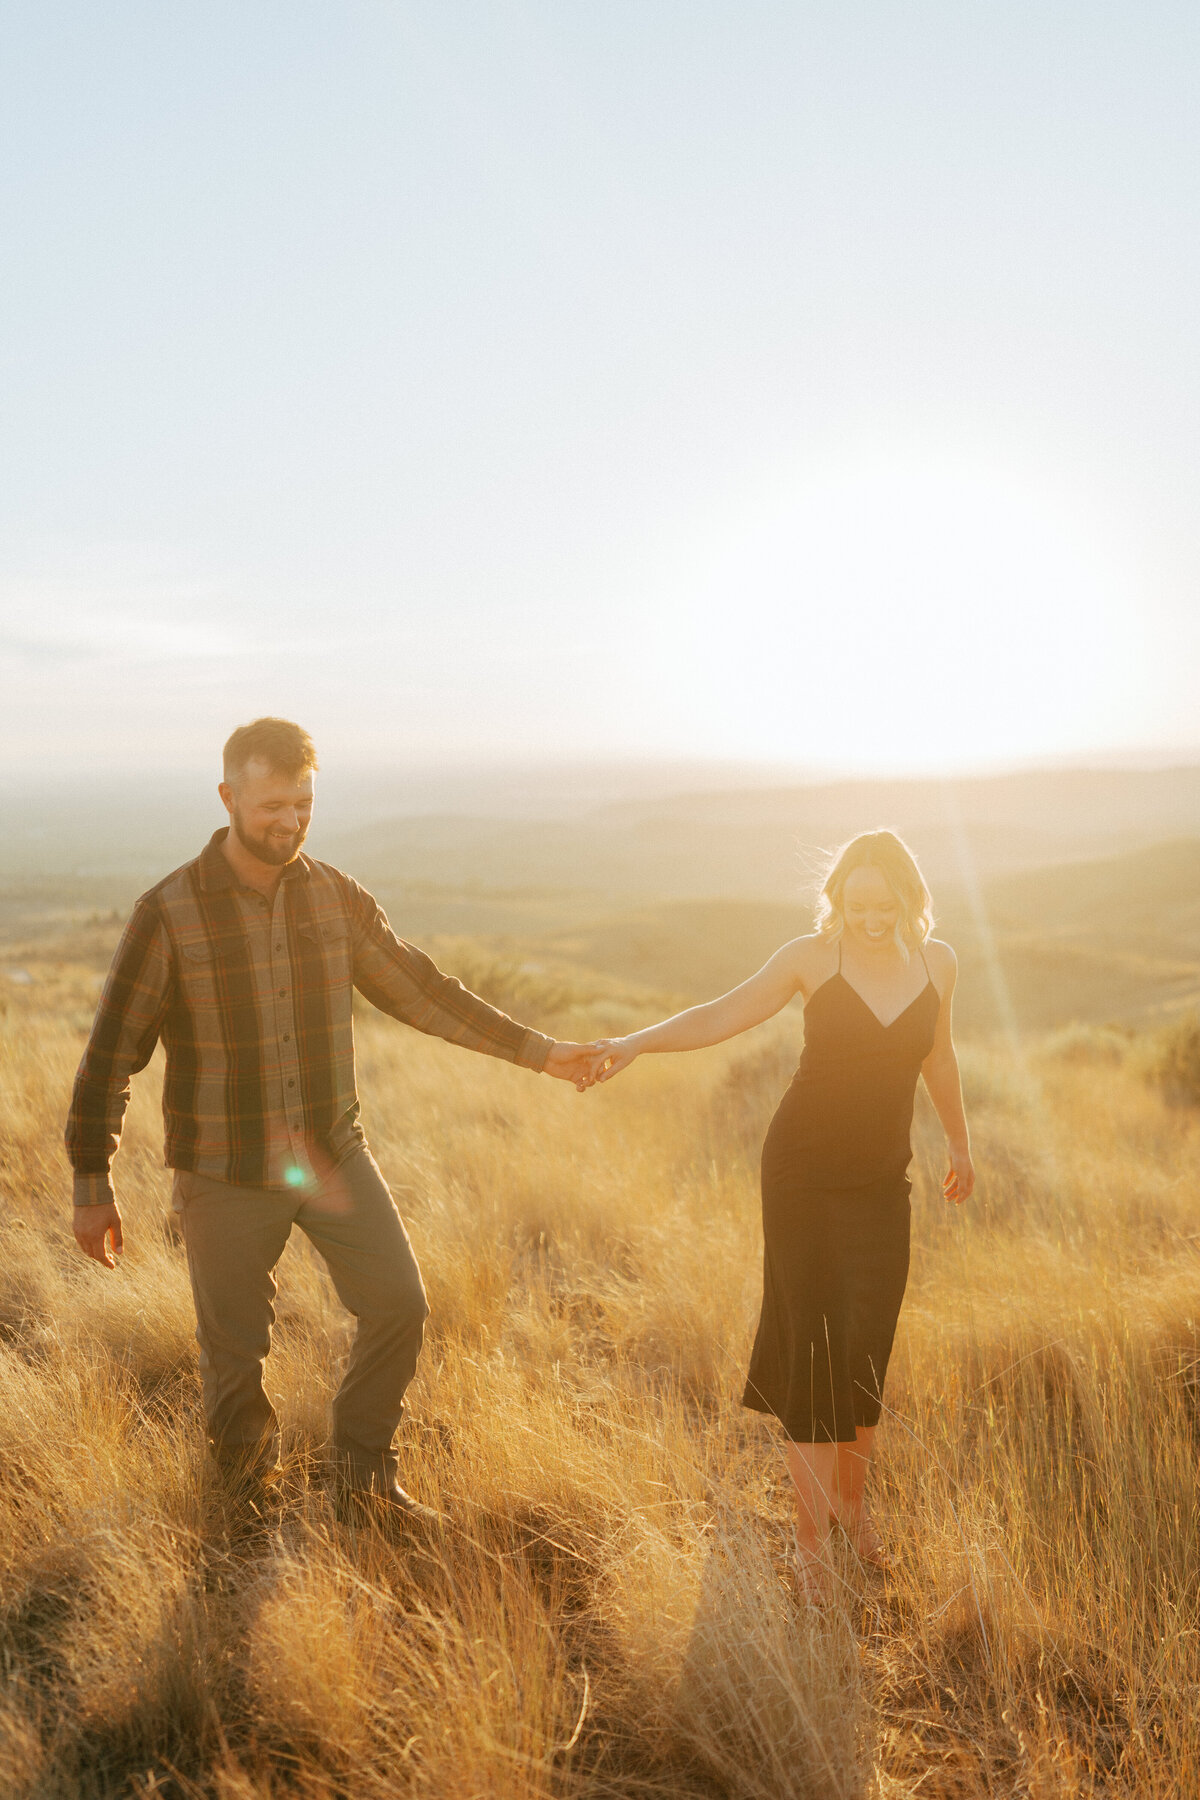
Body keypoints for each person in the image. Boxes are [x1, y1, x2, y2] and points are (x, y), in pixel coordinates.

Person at [67, 717, 600, 1529]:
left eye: (304, 804)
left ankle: (362, 1481)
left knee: (400, 1304)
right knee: (235, 1357)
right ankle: (246, 1506)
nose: (289, 820)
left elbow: (425, 993)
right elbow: (111, 1055)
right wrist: (91, 1181)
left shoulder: (335, 897)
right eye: (272, 803)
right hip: (223, 1166)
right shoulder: (168, 912)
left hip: (331, 1153)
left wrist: (542, 1052)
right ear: (229, 797)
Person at [590, 830, 974, 1587]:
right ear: (838, 901)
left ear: (908, 895)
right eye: (855, 903)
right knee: (816, 1351)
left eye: (882, 901)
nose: (869, 916)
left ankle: (855, 1518)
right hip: (801, 1175)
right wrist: (635, 1042)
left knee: (868, 1350)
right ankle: (808, 1547)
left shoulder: (939, 963)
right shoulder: (810, 958)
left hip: (881, 1184)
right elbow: (721, 1015)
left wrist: (960, 1143)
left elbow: (940, 1056)